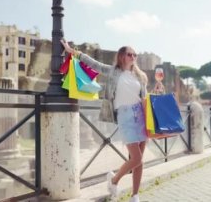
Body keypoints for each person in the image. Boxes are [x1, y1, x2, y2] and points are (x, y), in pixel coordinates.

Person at [61, 39, 148, 202]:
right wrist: (72, 51)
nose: (133, 57)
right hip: (125, 116)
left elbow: (144, 99)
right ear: (122, 56)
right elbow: (94, 64)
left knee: (139, 161)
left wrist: (150, 120)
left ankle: (135, 195)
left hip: (141, 116)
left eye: (135, 55)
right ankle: (114, 180)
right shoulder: (114, 72)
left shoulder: (141, 77)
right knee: (136, 158)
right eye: (130, 54)